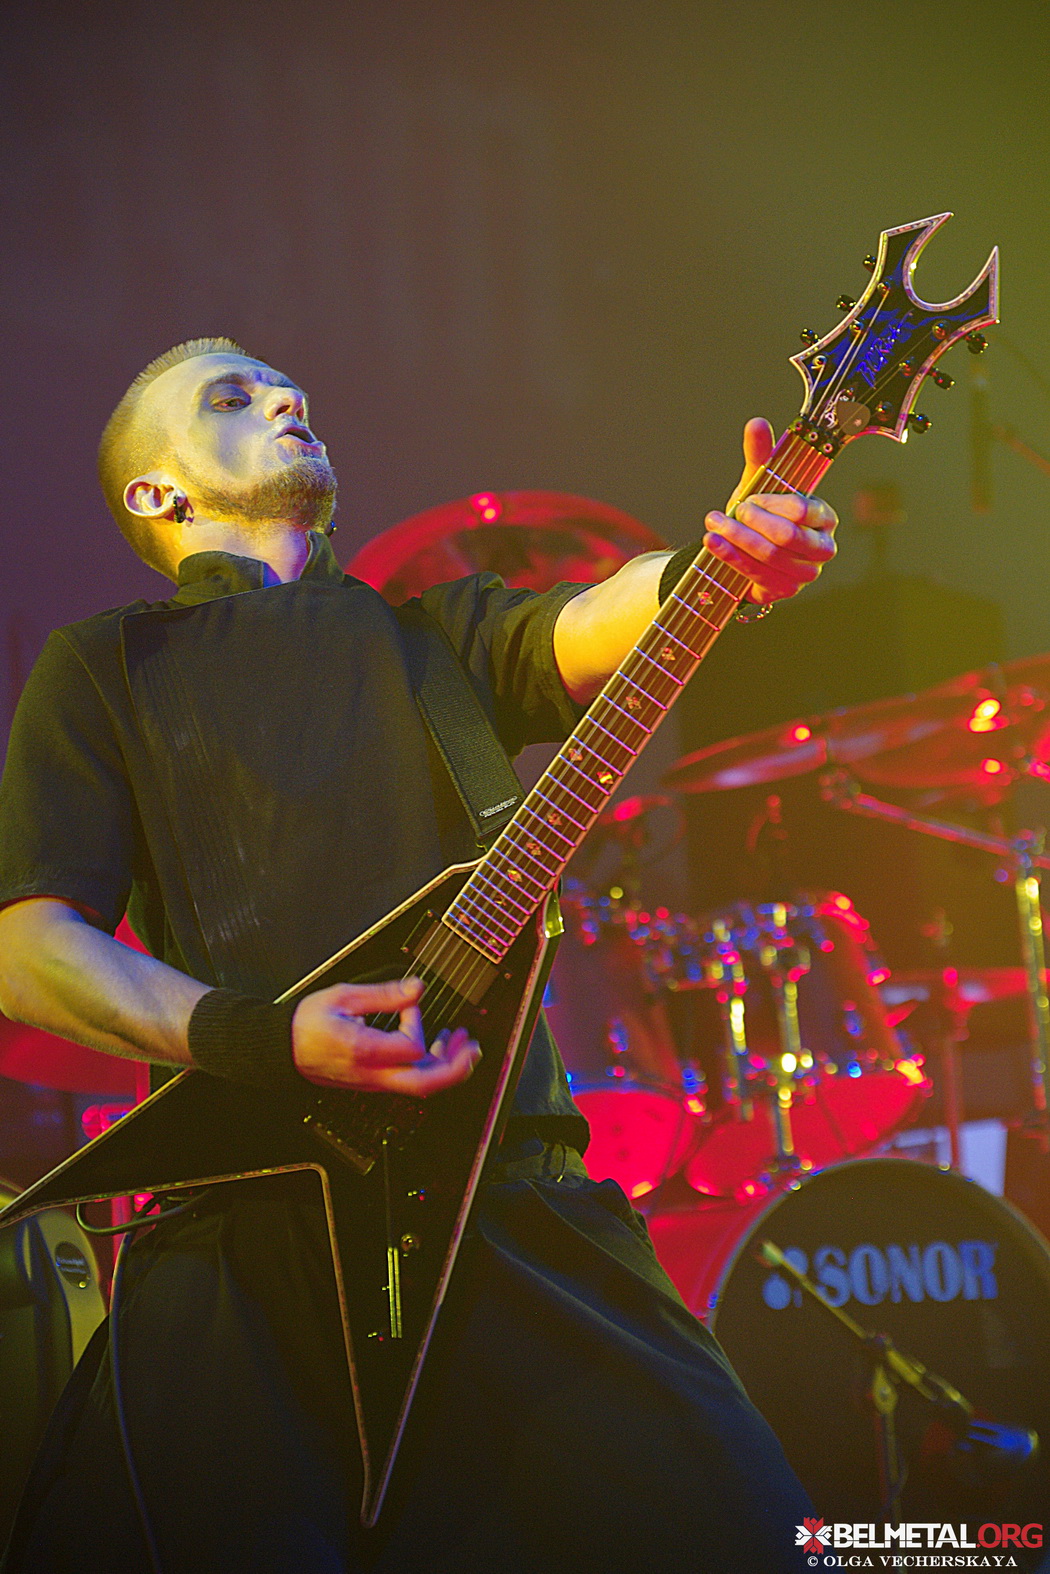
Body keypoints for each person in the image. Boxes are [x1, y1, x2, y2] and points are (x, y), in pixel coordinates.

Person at [0, 337, 836, 1573]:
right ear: (155, 490)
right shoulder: (106, 665)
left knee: (755, 1533)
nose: (286, 395)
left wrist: (718, 563)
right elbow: (29, 948)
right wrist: (265, 1035)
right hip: (247, 1222)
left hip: (512, 1193)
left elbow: (596, 619)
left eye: (286, 384)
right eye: (232, 395)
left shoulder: (433, 633)